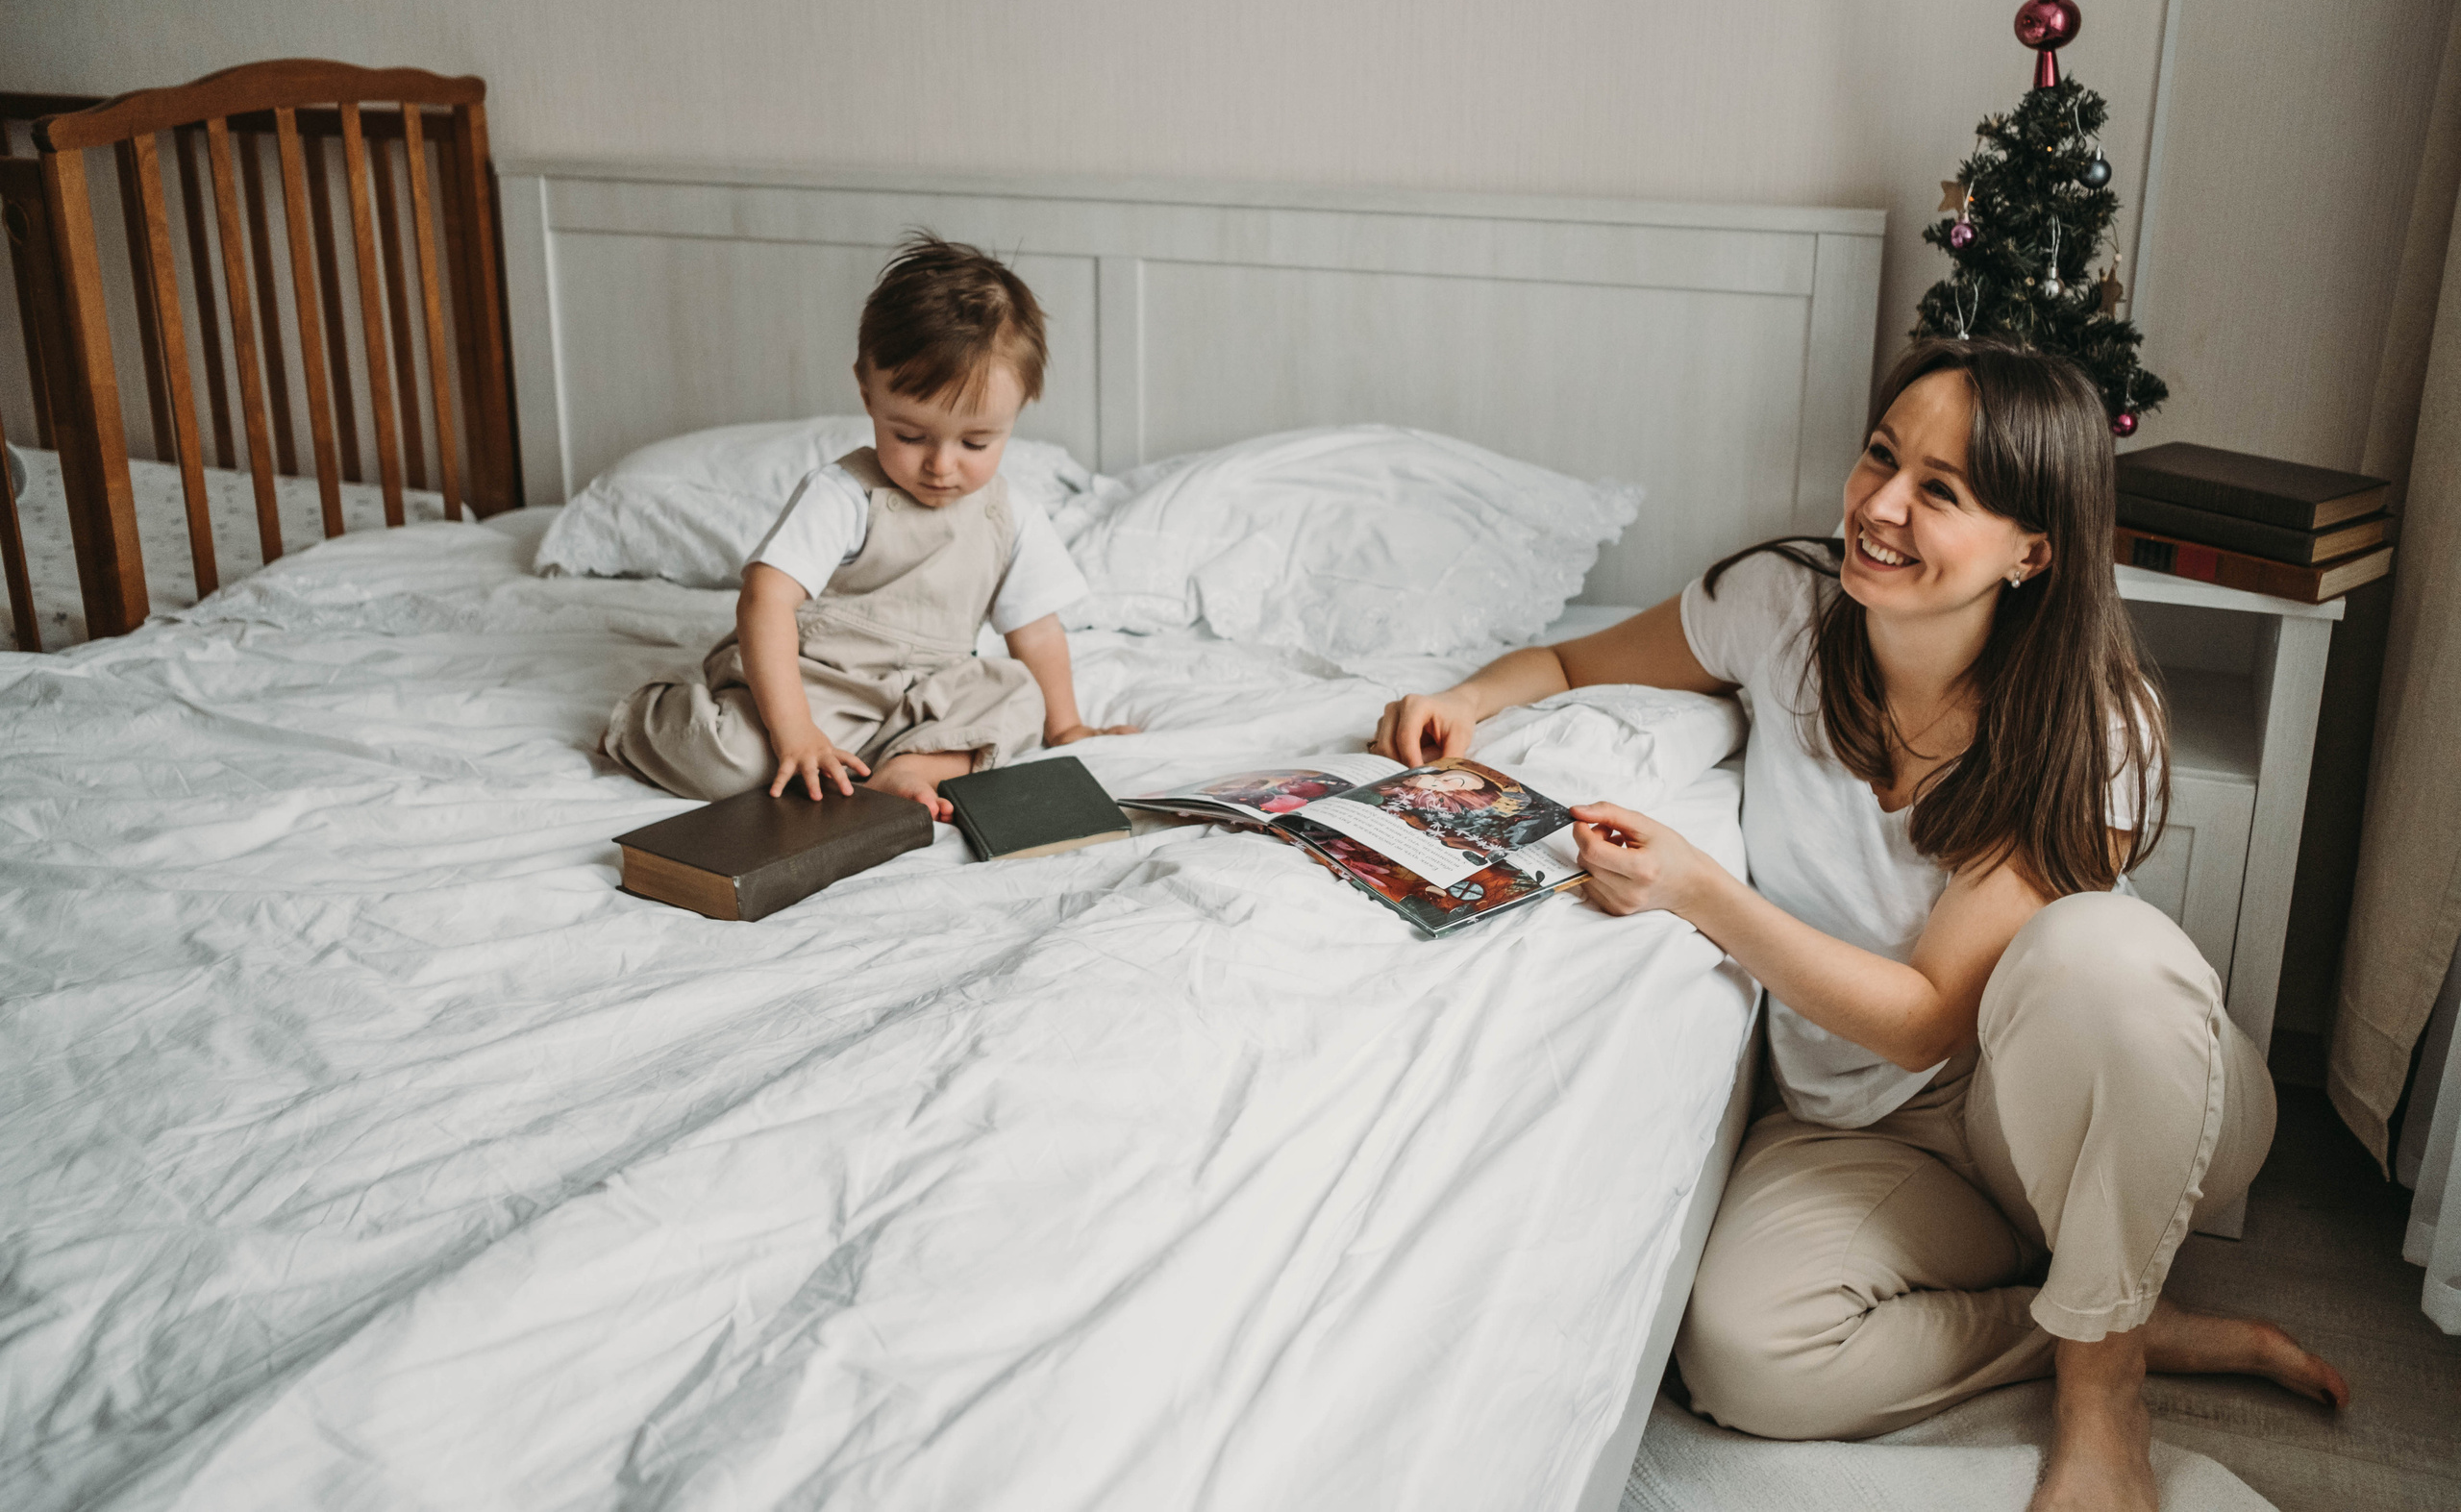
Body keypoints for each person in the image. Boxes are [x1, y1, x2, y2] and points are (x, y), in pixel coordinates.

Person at [1371, 337, 2346, 1512]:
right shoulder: (1777, 606)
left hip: (2088, 1093)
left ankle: (2103, 1393)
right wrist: (1468, 697)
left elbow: (1932, 1020)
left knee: (2099, 958)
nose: (1879, 506)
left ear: (2031, 549)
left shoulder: (2090, 718)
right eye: (1881, 457)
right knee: (1741, 1357)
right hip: (1872, 1133)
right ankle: (2096, 1318)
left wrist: (1700, 893)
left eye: (1940, 491)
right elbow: (1577, 655)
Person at [605, 235, 1133, 819]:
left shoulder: (1013, 515)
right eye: (910, 436)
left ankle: (911, 765)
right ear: (867, 390)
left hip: (924, 696)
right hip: (818, 688)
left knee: (1019, 698)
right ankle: (650, 719)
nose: (941, 464)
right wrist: (796, 731)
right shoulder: (845, 495)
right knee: (737, 765)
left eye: (976, 442)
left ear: (1018, 412)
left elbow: (1035, 633)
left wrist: (1066, 727)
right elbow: (765, 601)